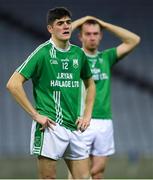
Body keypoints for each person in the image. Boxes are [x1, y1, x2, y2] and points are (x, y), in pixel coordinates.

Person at [6, 8, 95, 179]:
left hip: (75, 126)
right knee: (48, 178)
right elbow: (13, 84)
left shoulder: (78, 53)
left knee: (84, 178)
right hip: (50, 126)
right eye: (60, 23)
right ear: (50, 29)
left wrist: (87, 115)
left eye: (68, 22)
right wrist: (35, 115)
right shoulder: (43, 52)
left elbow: (90, 84)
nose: (66, 26)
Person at [69, 16, 141, 179]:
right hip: (81, 120)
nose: (92, 37)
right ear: (80, 37)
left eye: (96, 33)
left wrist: (105, 25)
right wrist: (82, 21)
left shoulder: (106, 57)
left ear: (100, 36)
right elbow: (58, 37)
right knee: (77, 173)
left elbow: (134, 40)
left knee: (99, 172)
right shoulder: (74, 57)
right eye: (87, 34)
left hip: (104, 120)